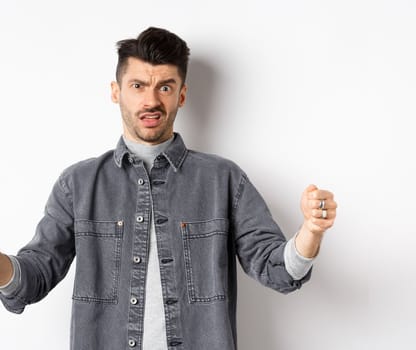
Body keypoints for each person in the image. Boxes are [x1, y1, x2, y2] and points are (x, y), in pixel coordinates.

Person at [0, 27, 337, 350]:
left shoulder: (224, 179)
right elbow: (35, 275)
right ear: (116, 91)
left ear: (182, 94)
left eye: (165, 86)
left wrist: (311, 232)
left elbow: (275, 269)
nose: (151, 100)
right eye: (137, 85)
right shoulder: (78, 184)